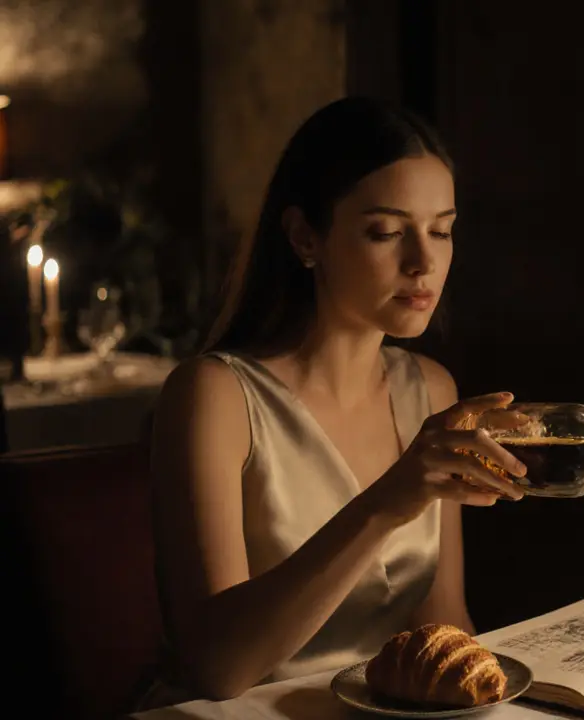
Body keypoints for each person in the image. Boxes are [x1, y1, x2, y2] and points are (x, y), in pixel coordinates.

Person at [139, 97, 529, 707]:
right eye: (386, 232)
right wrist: (385, 504)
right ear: (304, 236)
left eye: (442, 230)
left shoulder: (433, 390)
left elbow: (444, 628)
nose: (424, 262)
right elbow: (215, 668)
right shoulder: (214, 395)